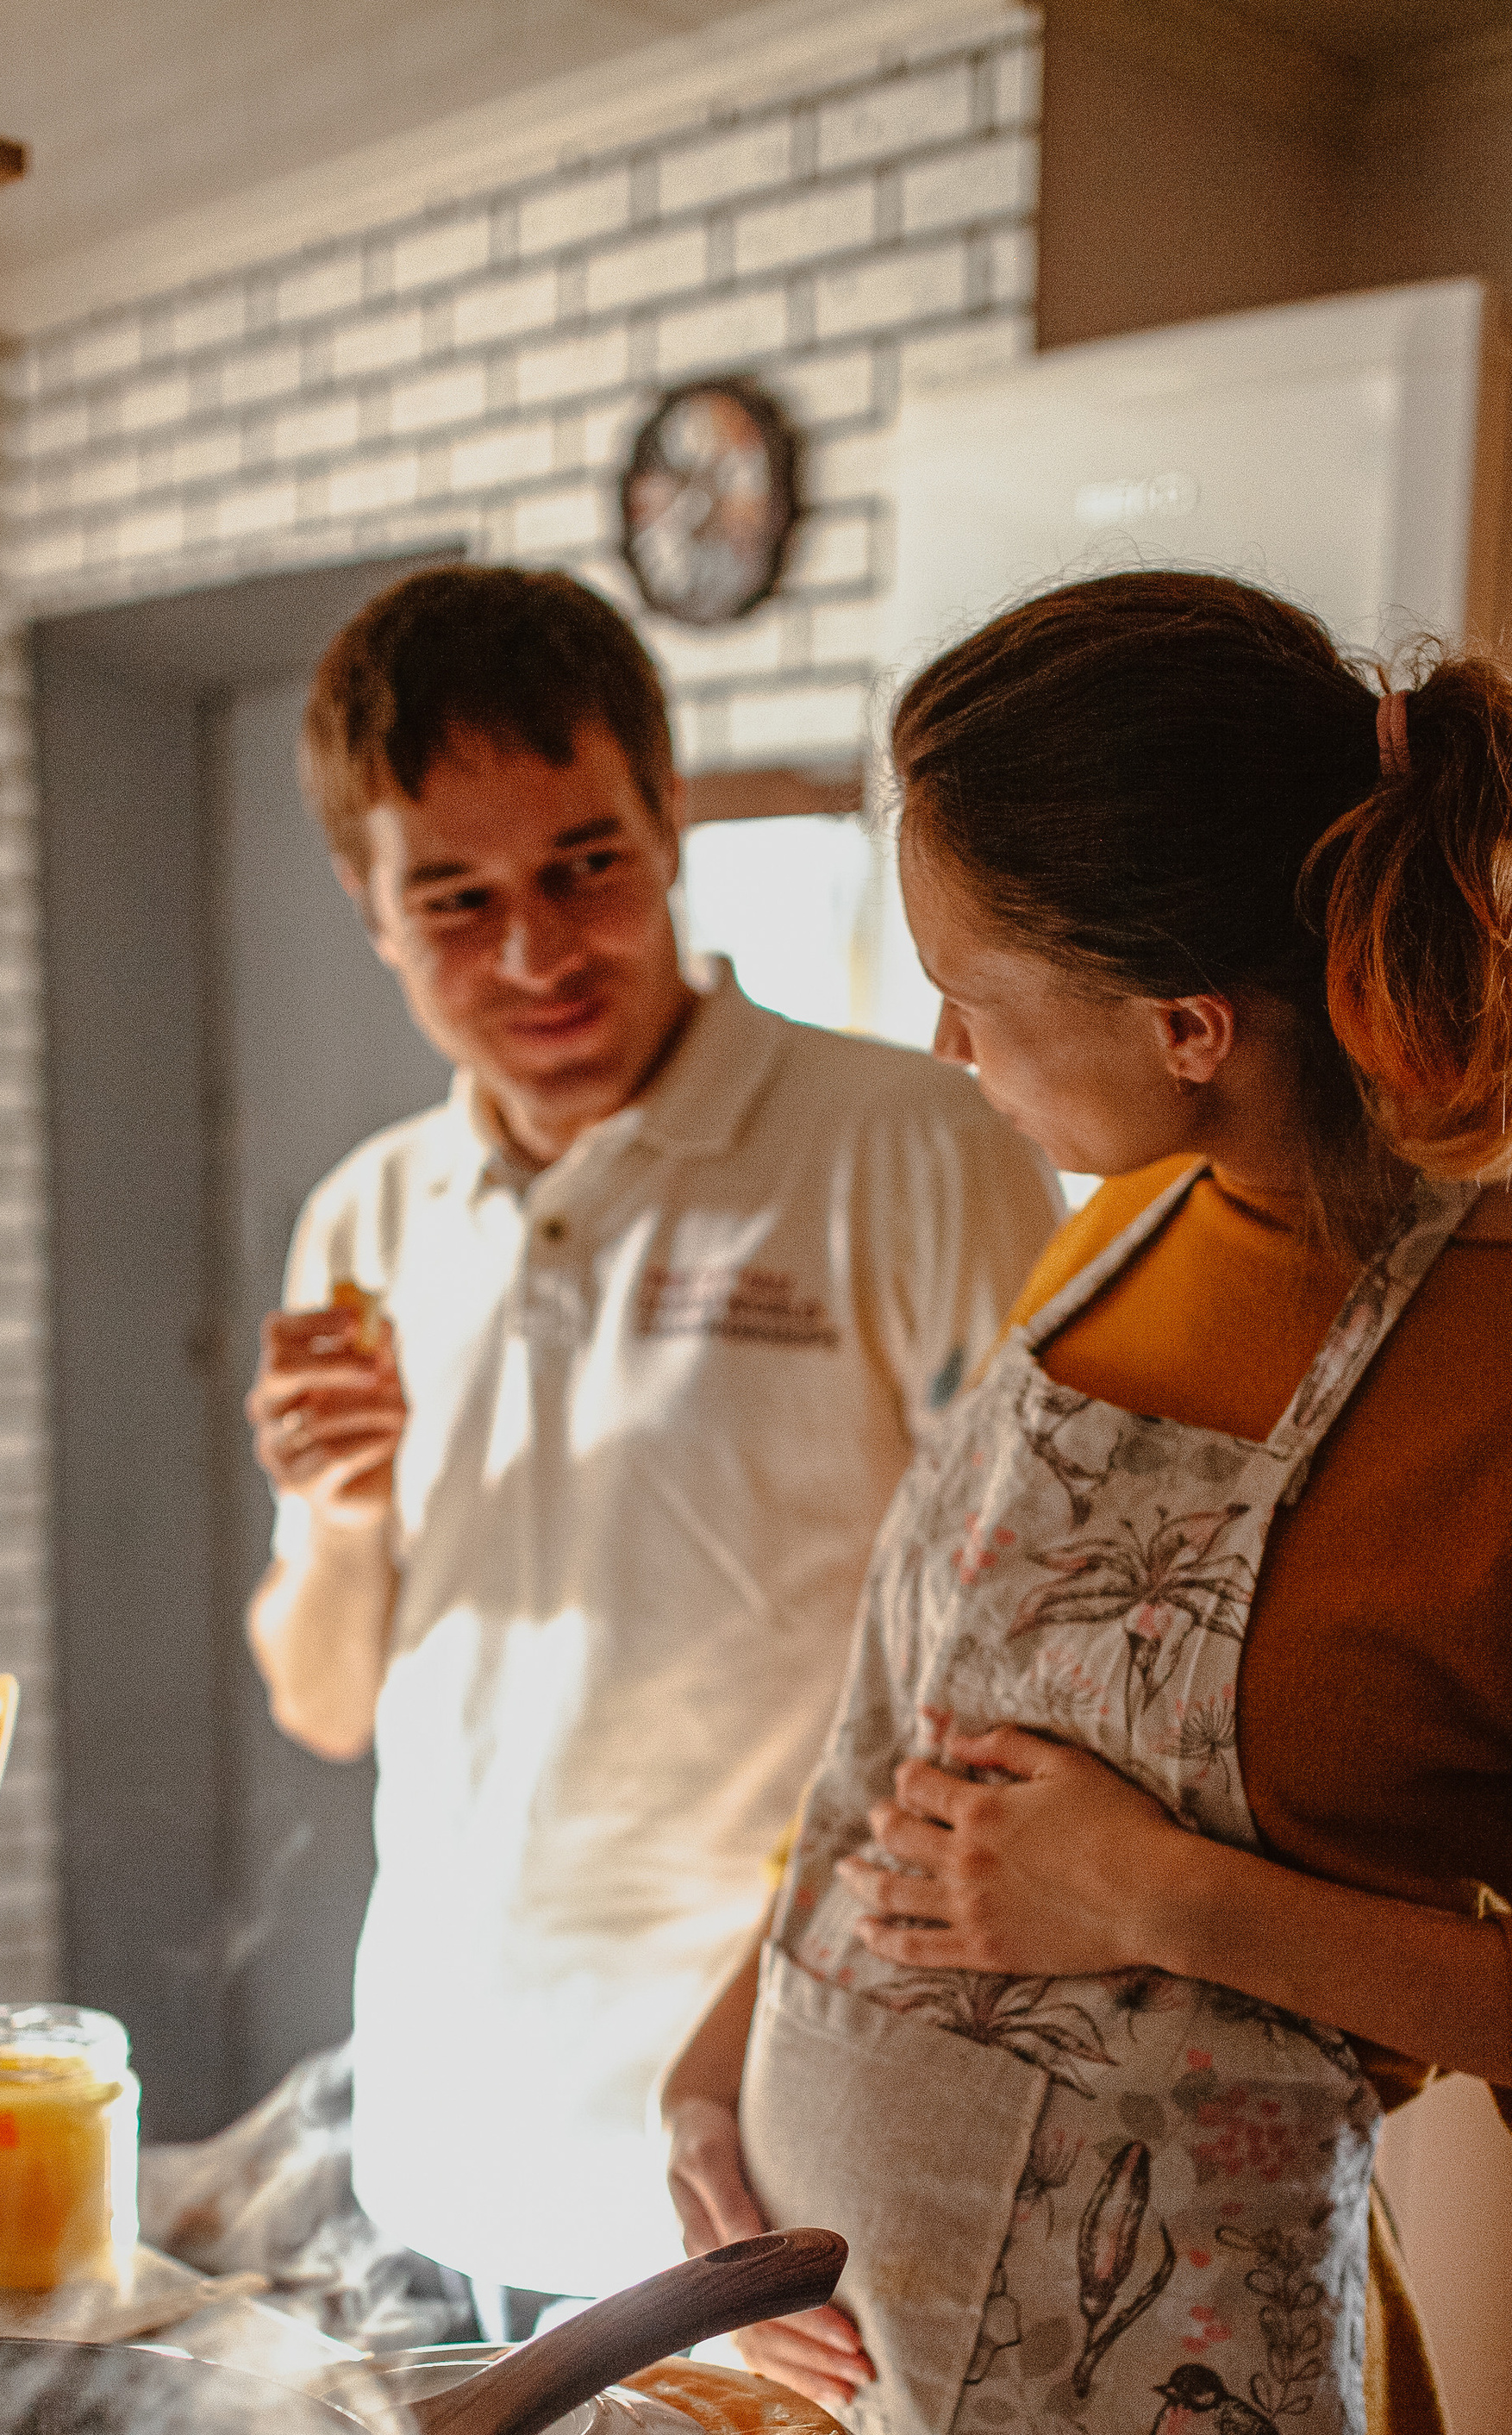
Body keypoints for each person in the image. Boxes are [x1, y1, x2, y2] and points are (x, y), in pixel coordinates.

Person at [662, 571, 1512, 2435]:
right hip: (831, 2364)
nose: (946, 1044)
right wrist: (715, 2080)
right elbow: (914, 1731)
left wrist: (1160, 1900)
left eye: (974, 992)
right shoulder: (1127, 1222)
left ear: (1187, 1022)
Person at [243, 564, 1062, 2329]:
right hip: (442, 2135)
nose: (534, 951)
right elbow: (320, 1702)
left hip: (753, 2162)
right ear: (365, 906)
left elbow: (1012, 1669)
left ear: (667, 815)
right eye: (454, 901)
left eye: (581, 867)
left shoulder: (914, 1148)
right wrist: (332, 1515)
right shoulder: (367, 1215)